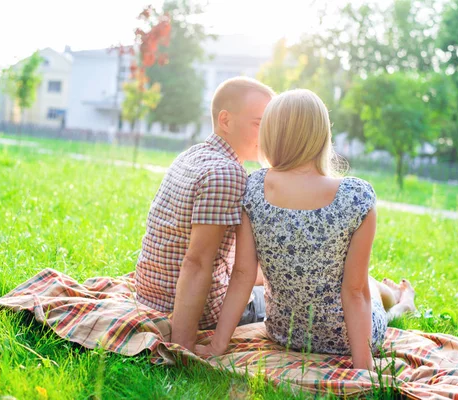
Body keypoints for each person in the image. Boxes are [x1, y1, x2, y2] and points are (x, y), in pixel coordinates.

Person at [196, 89, 416, 370]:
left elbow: (242, 275)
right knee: (366, 283)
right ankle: (401, 306)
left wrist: (217, 345)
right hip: (346, 340)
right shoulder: (356, 197)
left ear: (271, 134)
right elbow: (355, 291)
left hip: (284, 333)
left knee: (363, 281)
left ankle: (397, 298)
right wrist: (363, 366)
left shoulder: (254, 188)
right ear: (323, 134)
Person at [135, 77, 275, 351]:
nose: (267, 136)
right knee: (290, 293)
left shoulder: (193, 155)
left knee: (263, 271)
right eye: (259, 124)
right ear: (225, 120)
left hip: (150, 293)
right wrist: (183, 344)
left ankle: (378, 288)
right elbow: (197, 262)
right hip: (197, 309)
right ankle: (381, 298)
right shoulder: (227, 173)